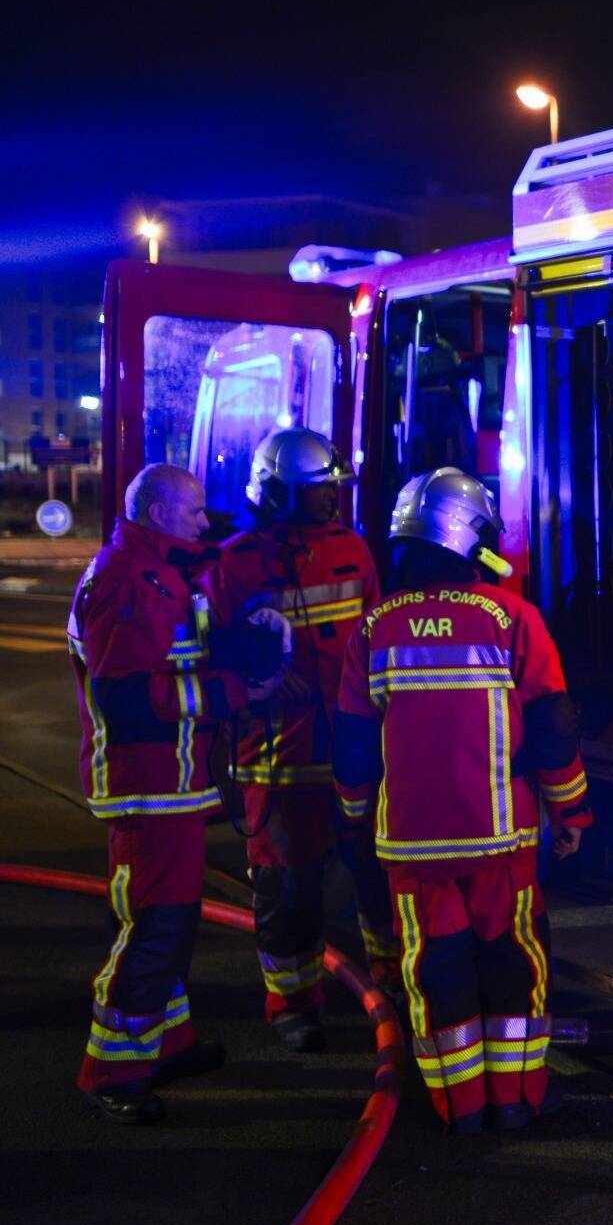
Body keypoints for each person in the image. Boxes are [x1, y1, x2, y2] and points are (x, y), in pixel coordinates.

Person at [333, 467, 590, 1133]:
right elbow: (553, 730)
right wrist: (571, 815)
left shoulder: (372, 630)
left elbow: (355, 748)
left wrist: (357, 820)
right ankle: (519, 1099)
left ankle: (461, 1106)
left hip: (412, 851)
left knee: (434, 972)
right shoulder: (514, 618)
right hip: (501, 842)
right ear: (471, 537)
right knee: (515, 967)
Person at [68, 464, 281, 1123]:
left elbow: (176, 655)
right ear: (158, 514)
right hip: (148, 783)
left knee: (170, 918)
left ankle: (165, 1041)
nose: (203, 520)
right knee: (153, 926)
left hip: (171, 782)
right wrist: (234, 692)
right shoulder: (127, 580)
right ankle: (112, 1068)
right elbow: (127, 698)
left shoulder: (153, 571)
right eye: (191, 511)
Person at [203, 428, 397, 1052]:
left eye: (334, 488)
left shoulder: (353, 550)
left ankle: (393, 990)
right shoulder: (232, 563)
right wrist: (253, 684)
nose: (332, 500)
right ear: (279, 493)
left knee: (378, 875)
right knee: (288, 887)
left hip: (354, 746)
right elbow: (207, 653)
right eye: (318, 491)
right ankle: (293, 1004)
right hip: (276, 755)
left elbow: (376, 635)